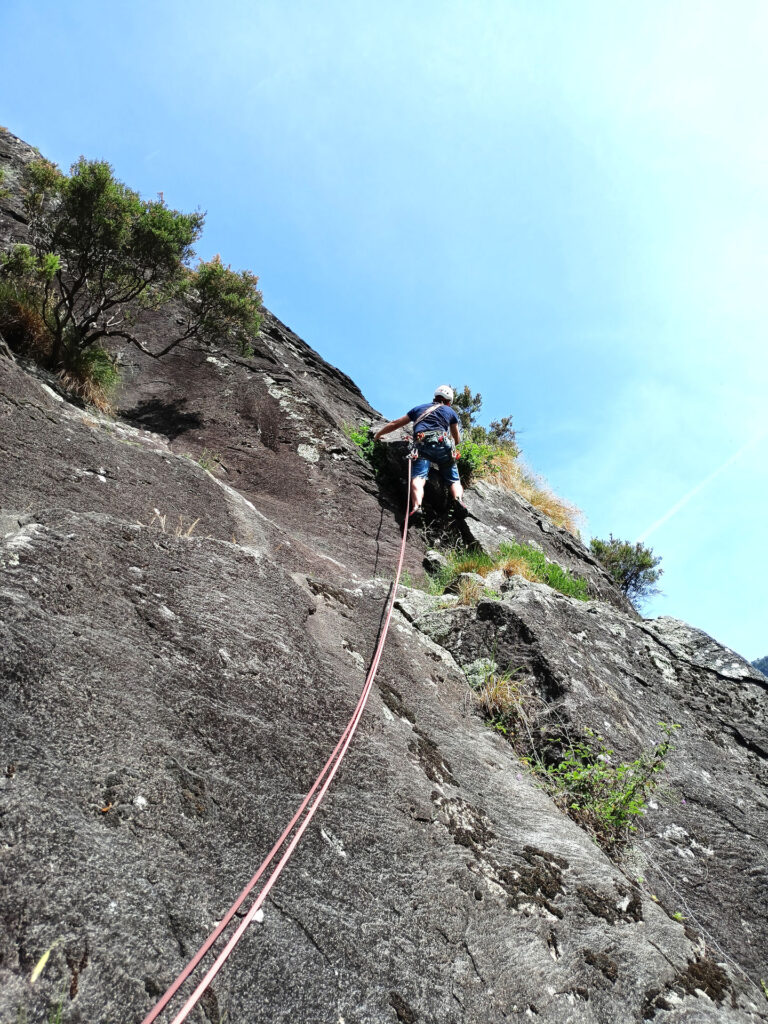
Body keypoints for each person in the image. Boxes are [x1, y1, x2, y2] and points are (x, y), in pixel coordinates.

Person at [374, 385, 468, 521]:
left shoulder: (418, 409)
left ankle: (417, 506)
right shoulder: (450, 411)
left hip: (422, 443)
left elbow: (395, 423)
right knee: (453, 479)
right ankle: (458, 499)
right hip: (443, 445)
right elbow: (456, 438)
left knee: (418, 477)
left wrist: (378, 435)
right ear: (449, 401)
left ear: (434, 397)